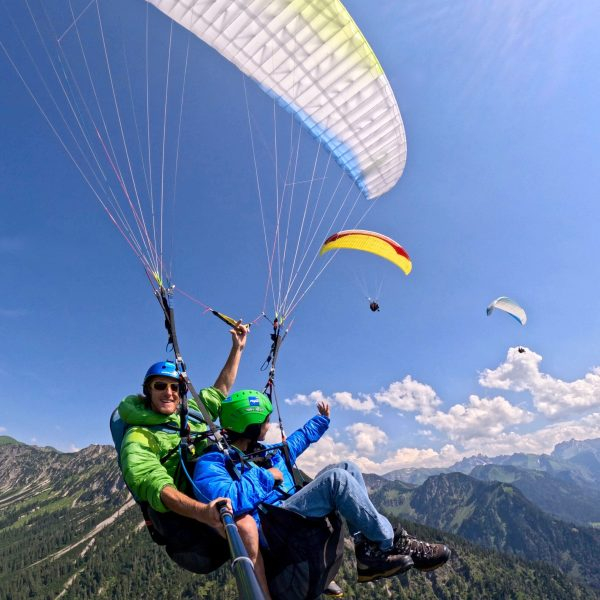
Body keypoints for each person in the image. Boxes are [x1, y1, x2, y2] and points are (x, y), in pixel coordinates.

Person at [193, 390, 451, 584]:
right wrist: (267, 478)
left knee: (347, 467)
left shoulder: (258, 452)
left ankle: (366, 552)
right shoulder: (212, 463)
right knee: (336, 480)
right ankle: (390, 543)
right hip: (273, 527)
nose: (269, 424)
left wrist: (320, 421)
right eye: (265, 420)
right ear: (250, 425)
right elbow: (225, 501)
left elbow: (294, 443)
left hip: (285, 513)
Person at [117, 324, 271, 599]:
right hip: (182, 515)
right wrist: (203, 512)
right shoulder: (139, 437)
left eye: (175, 387)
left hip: (207, 486)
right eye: (160, 386)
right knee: (246, 526)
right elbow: (155, 485)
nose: (169, 392)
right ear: (148, 392)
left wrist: (237, 348)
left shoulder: (189, 414)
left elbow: (219, 390)